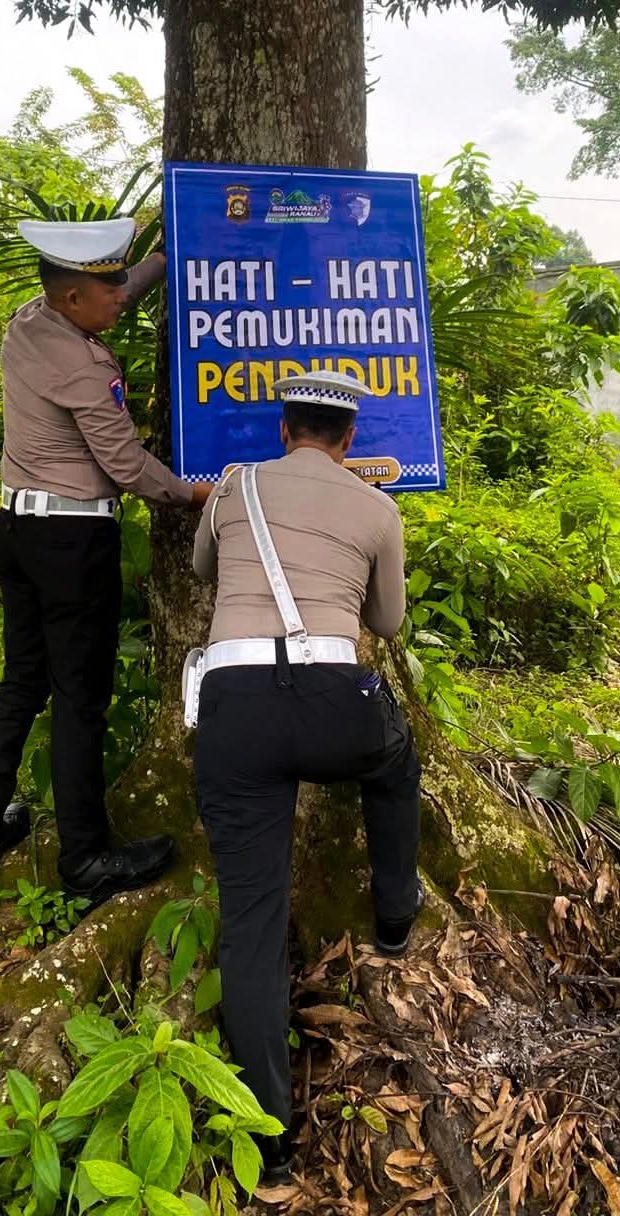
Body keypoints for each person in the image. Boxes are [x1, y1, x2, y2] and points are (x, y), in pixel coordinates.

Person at [191, 370, 423, 1182]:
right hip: (335, 705)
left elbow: (199, 570)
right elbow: (386, 622)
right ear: (348, 441)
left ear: (284, 430)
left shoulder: (234, 487)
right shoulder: (378, 508)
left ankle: (269, 1146)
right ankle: (394, 917)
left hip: (236, 712)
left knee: (250, 922)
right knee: (395, 765)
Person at [0, 217, 212, 904]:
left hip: (17, 530)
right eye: (109, 291)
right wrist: (193, 496)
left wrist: (164, 257)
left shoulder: (28, 323)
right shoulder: (84, 365)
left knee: (22, 685)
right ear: (73, 300)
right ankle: (86, 859)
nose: (122, 299)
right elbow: (125, 464)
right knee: (79, 702)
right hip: (71, 545)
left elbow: (120, 283)